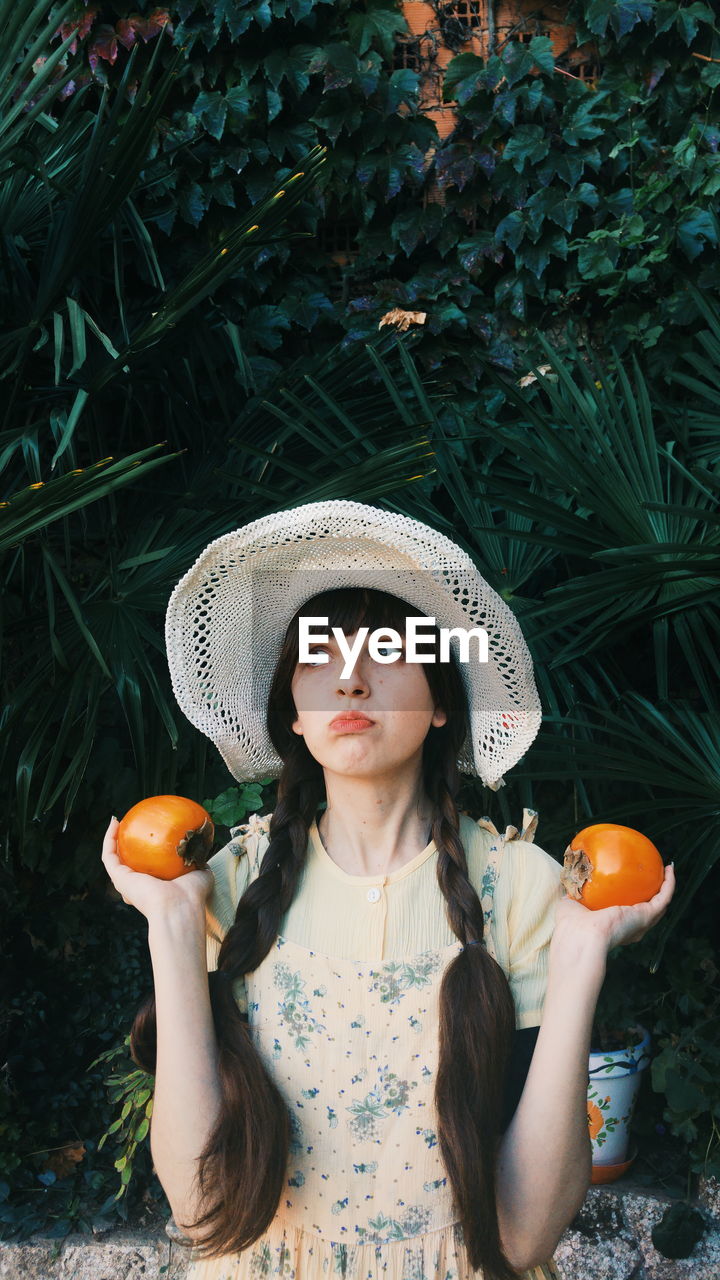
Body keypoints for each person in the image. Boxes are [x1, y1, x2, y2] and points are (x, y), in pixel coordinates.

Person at [101, 499, 675, 1280]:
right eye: (319, 654)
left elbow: (526, 1239)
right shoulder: (224, 884)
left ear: (442, 704)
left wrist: (580, 959)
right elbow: (202, 1213)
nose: (350, 677)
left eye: (387, 650)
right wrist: (170, 926)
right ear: (293, 717)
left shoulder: (522, 888)